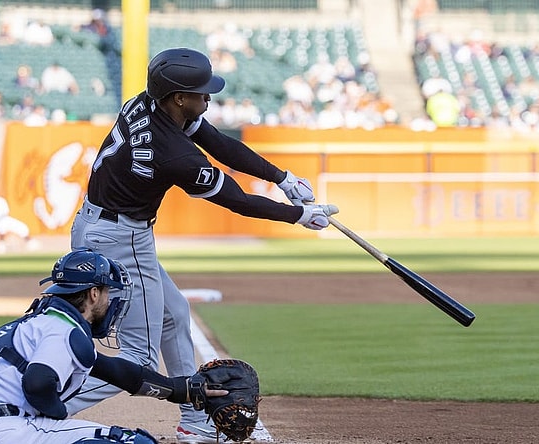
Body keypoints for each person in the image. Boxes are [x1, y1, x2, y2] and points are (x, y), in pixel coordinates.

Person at [68, 47, 337, 443]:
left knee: (175, 314)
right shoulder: (174, 153)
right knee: (138, 359)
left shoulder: (147, 103)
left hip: (105, 227)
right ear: (179, 97)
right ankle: (41, 403)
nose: (208, 98)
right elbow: (237, 201)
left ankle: (195, 422)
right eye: (200, 93)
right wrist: (297, 216)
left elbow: (221, 144)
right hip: (119, 238)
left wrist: (282, 178)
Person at [0, 249, 227, 444]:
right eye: (108, 292)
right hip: (2, 433)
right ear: (93, 293)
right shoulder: (66, 332)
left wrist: (181, 390)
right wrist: (56, 413)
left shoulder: (39, 322)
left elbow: (117, 371)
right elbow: (38, 382)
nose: (111, 300)